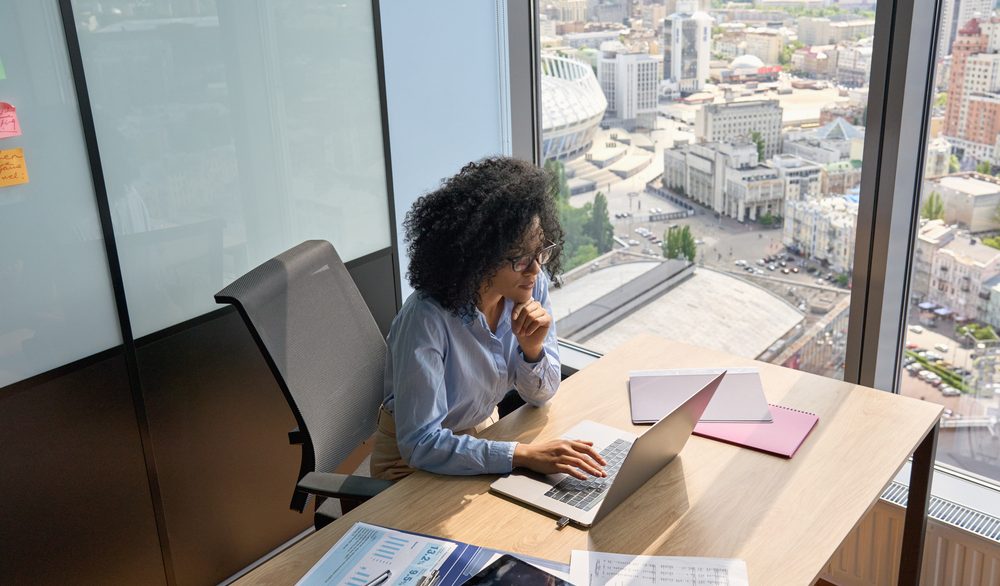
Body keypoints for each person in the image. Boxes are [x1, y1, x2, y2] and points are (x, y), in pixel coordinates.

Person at [371, 157, 607, 482]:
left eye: (540, 252)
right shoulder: (426, 319)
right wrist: (522, 455)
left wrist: (533, 350)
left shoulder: (528, 285)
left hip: (486, 435)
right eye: (520, 258)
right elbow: (421, 444)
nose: (536, 269)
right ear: (478, 256)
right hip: (411, 466)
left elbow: (541, 395)